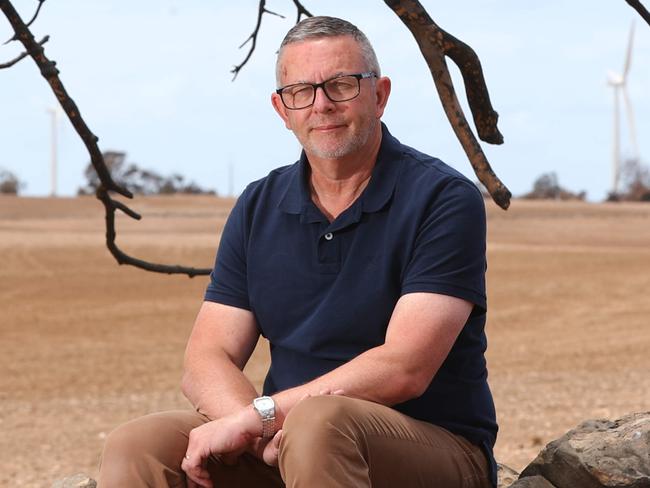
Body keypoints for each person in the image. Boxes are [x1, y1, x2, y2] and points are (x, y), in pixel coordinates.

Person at [98, 15, 498, 488]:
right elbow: (207, 358)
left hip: (433, 450)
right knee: (139, 443)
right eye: (301, 92)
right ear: (281, 108)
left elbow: (404, 367)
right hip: (288, 443)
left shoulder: (442, 198)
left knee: (321, 423)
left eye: (342, 85)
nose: (321, 105)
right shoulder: (258, 205)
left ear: (380, 94)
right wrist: (256, 430)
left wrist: (264, 417)